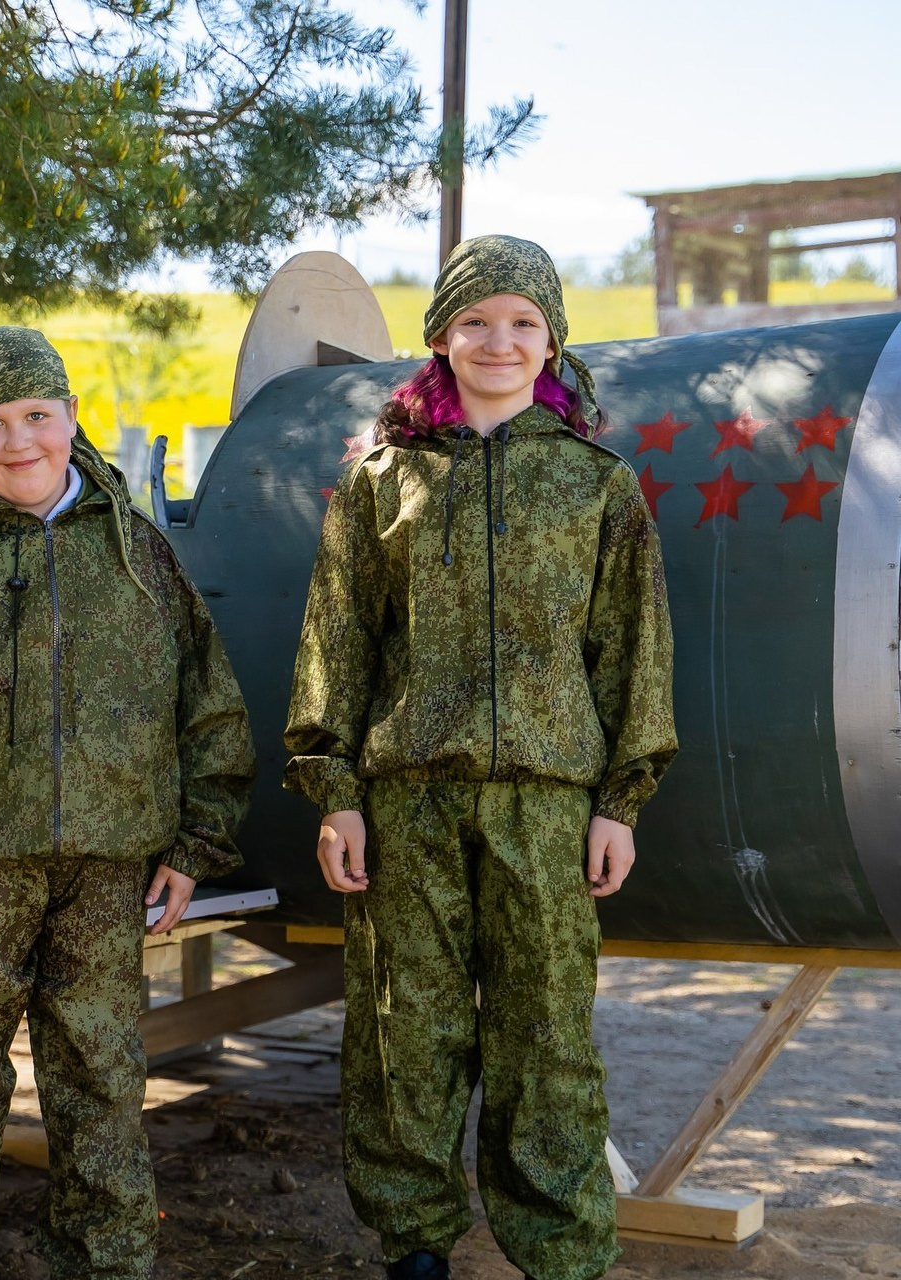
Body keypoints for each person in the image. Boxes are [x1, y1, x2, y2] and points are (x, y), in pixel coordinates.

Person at [283, 235, 677, 1280]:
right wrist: (335, 792)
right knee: (401, 1034)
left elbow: (631, 652)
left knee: (544, 1039)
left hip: (546, 806)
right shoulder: (380, 480)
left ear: (549, 339)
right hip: (404, 797)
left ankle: (556, 1252)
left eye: (521, 322)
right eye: (474, 320)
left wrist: (616, 803)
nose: (497, 340)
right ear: (440, 336)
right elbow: (338, 640)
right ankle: (413, 1243)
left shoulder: (594, 483)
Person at [0, 325, 256, 1280]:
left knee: (103, 1086)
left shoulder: (142, 557)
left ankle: (106, 1262)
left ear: (72, 419)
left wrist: (194, 846)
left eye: (37, 417)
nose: (19, 441)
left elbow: (208, 708)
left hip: (111, 874)